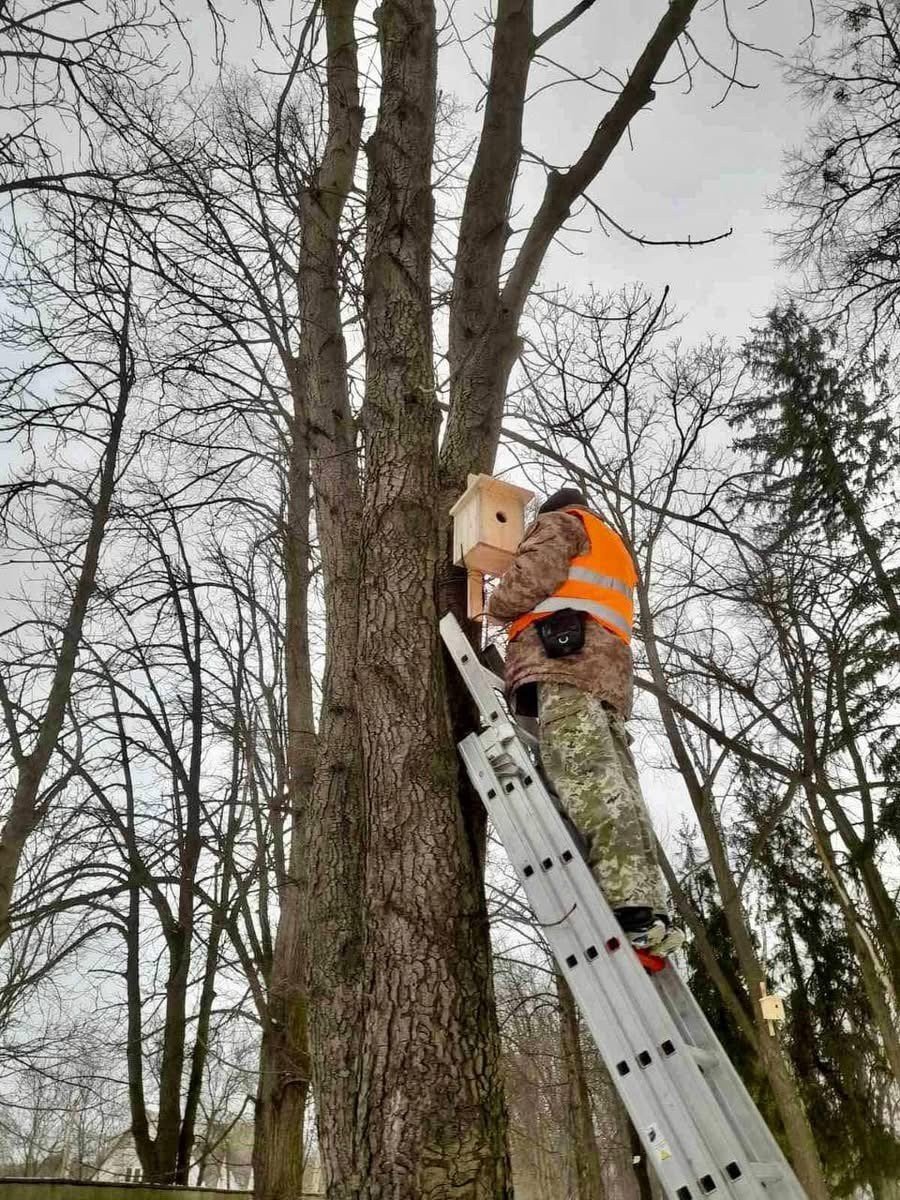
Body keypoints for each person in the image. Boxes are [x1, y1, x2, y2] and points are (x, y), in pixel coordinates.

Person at [486, 485, 684, 957]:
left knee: (588, 781)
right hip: (605, 675)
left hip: (565, 664)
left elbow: (529, 581)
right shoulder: (610, 543)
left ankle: (628, 908)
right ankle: (649, 906)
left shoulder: (561, 524)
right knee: (619, 786)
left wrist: (494, 602)